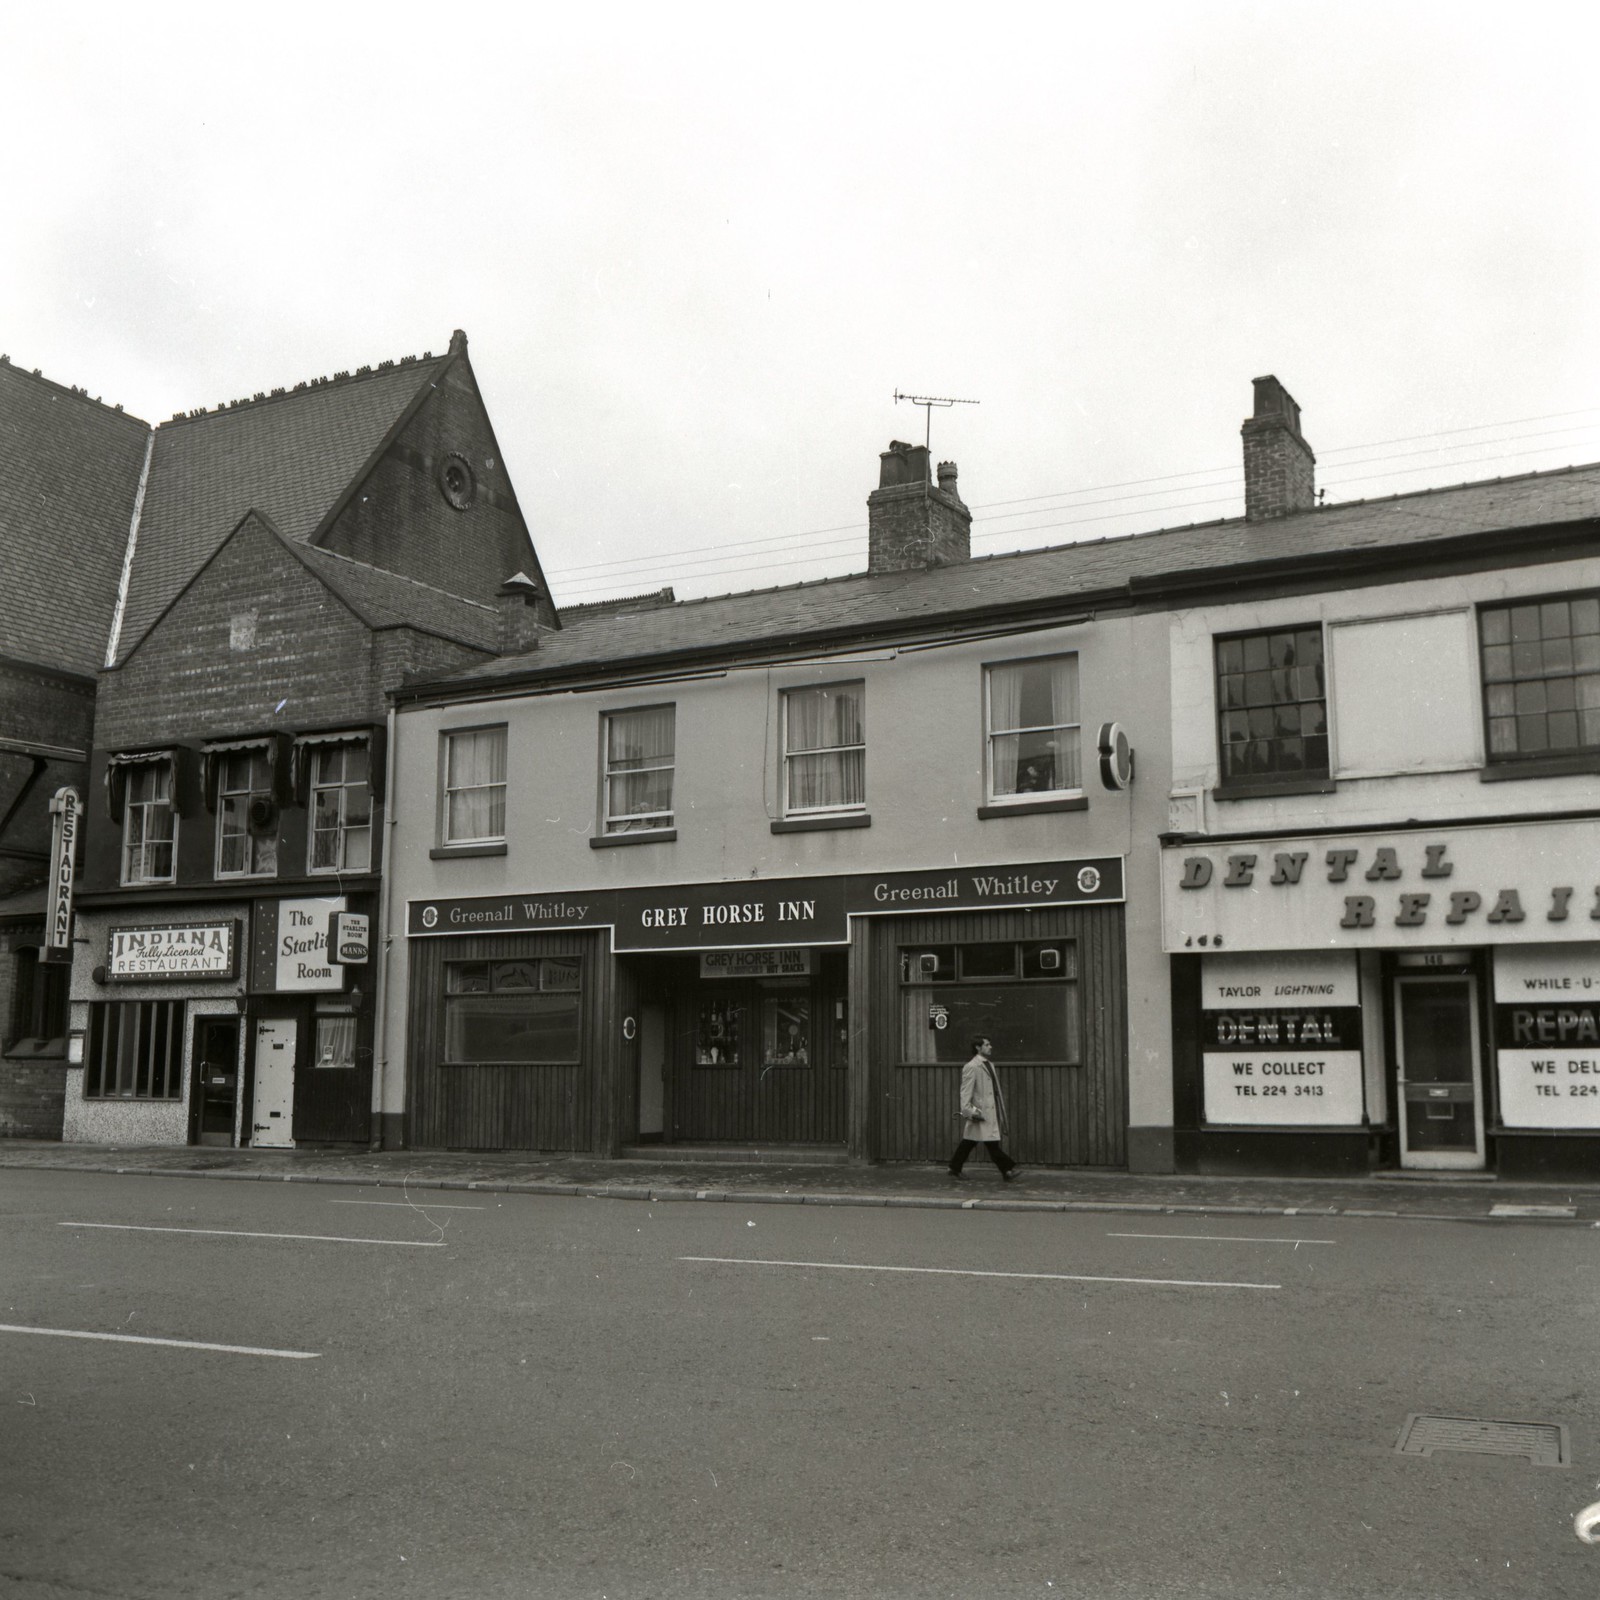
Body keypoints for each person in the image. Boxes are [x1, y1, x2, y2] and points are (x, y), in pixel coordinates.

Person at [948, 1035, 1021, 1180]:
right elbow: (965, 1092)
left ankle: (954, 1167)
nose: (990, 1047)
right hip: (980, 1111)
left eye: (989, 1044)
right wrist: (969, 1111)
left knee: (970, 1142)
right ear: (978, 1047)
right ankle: (1007, 1170)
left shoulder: (989, 1064)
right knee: (991, 1143)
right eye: (987, 1045)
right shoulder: (971, 1066)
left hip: (990, 1110)